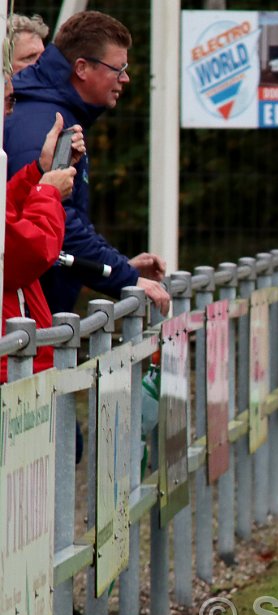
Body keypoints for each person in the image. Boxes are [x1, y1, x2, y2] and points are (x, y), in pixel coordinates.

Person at [5, 10, 170, 317]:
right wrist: (123, 276)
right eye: (118, 69)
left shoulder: (57, 113)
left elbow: (60, 218)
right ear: (81, 68)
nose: (125, 78)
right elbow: (53, 225)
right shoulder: (43, 123)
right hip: (22, 319)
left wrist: (117, 266)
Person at [2, 52, 83, 382]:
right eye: (8, 100)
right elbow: (22, 253)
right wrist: (48, 192)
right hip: (10, 362)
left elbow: (6, 212)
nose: (10, 111)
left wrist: (39, 171)